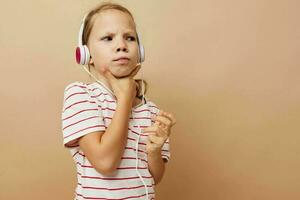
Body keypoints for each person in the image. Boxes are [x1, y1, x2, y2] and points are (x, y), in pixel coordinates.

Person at [61, 2, 176, 199]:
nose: (121, 45)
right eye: (108, 38)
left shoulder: (150, 110)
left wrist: (155, 151)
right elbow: (105, 163)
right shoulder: (80, 95)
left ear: (139, 51)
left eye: (129, 38)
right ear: (86, 54)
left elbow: (154, 177)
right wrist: (125, 98)